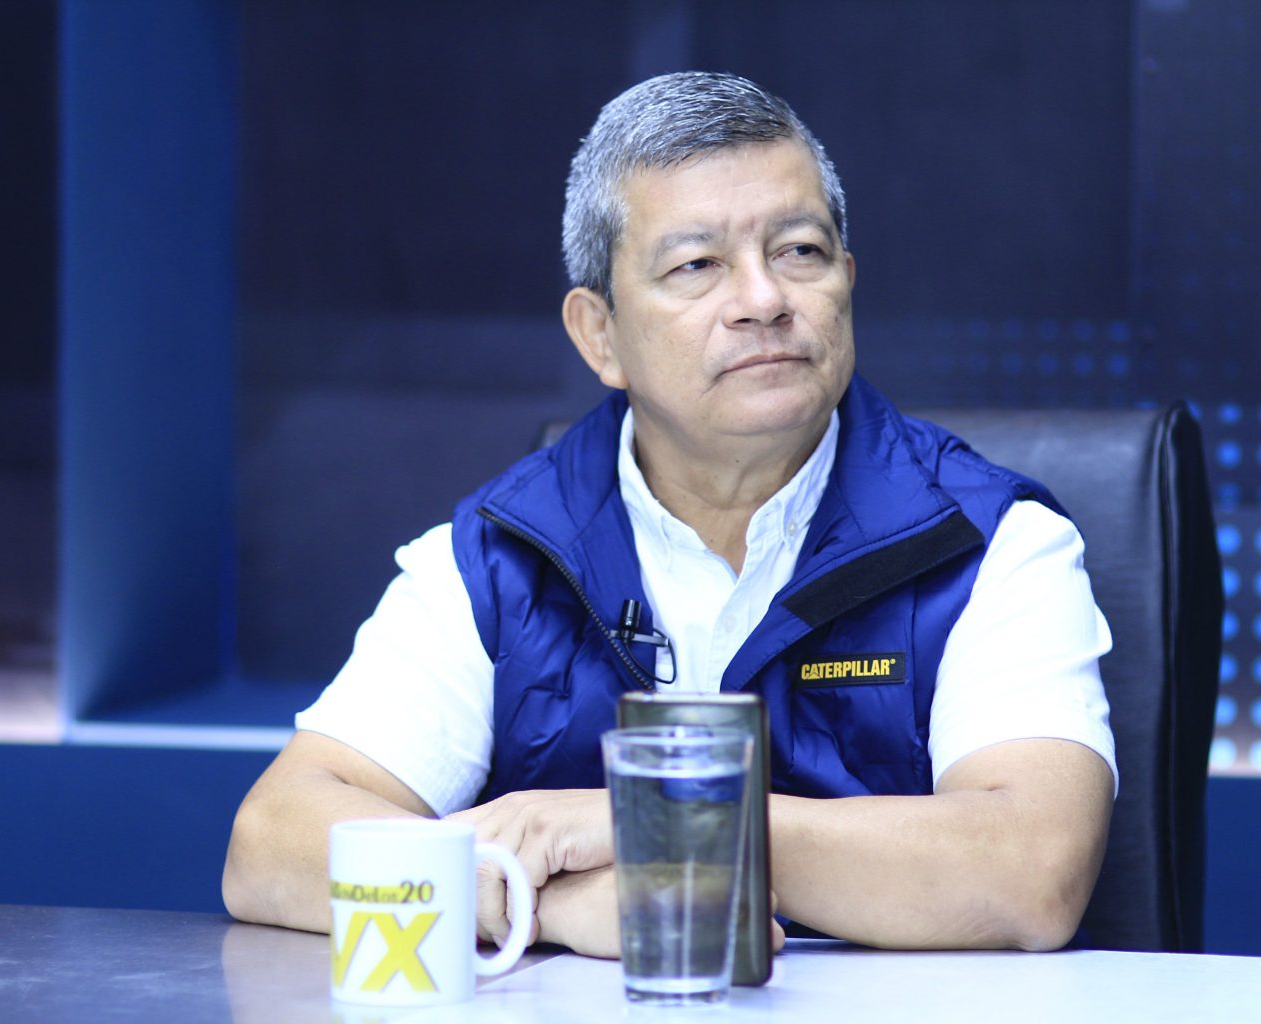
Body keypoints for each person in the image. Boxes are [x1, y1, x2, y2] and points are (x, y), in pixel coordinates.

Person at [223, 71, 1116, 956]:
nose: (764, 300)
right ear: (599, 334)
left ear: (847, 282)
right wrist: (550, 906)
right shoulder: (496, 560)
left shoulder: (989, 541)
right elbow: (272, 844)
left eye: (799, 251)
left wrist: (657, 822)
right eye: (697, 266)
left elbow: (1031, 871)